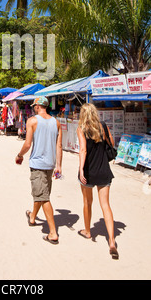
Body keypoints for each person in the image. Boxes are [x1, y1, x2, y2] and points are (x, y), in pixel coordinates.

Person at [15, 96, 62, 245]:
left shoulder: (32, 121)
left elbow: (28, 144)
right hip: (50, 165)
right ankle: (33, 217)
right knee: (42, 193)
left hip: (38, 164)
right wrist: (59, 166)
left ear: (37, 106)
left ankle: (53, 233)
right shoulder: (56, 122)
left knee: (43, 197)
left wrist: (19, 155)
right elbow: (59, 146)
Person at [77, 103, 118, 260]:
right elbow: (111, 143)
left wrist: (81, 169)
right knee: (106, 205)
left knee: (88, 202)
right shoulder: (102, 126)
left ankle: (87, 231)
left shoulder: (81, 129)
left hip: (89, 170)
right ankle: (112, 241)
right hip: (103, 170)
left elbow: (83, 150)